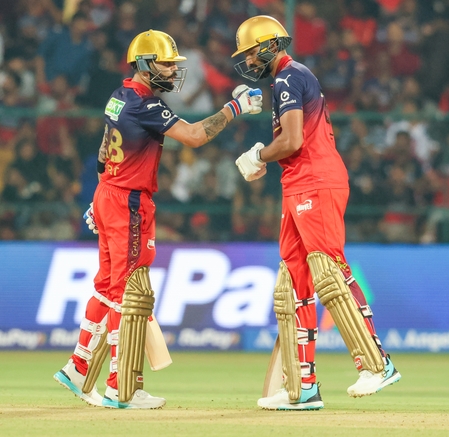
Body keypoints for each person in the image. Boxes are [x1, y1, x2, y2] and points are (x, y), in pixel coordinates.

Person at [53, 29, 262, 409]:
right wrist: (236, 108)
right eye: (166, 64)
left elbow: (103, 151)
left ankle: (79, 367)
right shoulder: (147, 105)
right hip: (129, 203)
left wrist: (100, 196)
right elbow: (195, 136)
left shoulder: (119, 97)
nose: (172, 71)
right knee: (127, 295)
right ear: (145, 64)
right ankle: (120, 386)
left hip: (110, 193)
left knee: (106, 287)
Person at [232, 15, 401, 411]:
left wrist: (258, 155)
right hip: (298, 182)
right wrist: (264, 157)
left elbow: (292, 141)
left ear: (271, 45)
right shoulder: (286, 79)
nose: (249, 60)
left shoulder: (290, 77)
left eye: (252, 51)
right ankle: (302, 387)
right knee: (292, 284)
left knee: (329, 270)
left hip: (316, 181)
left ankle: (377, 364)